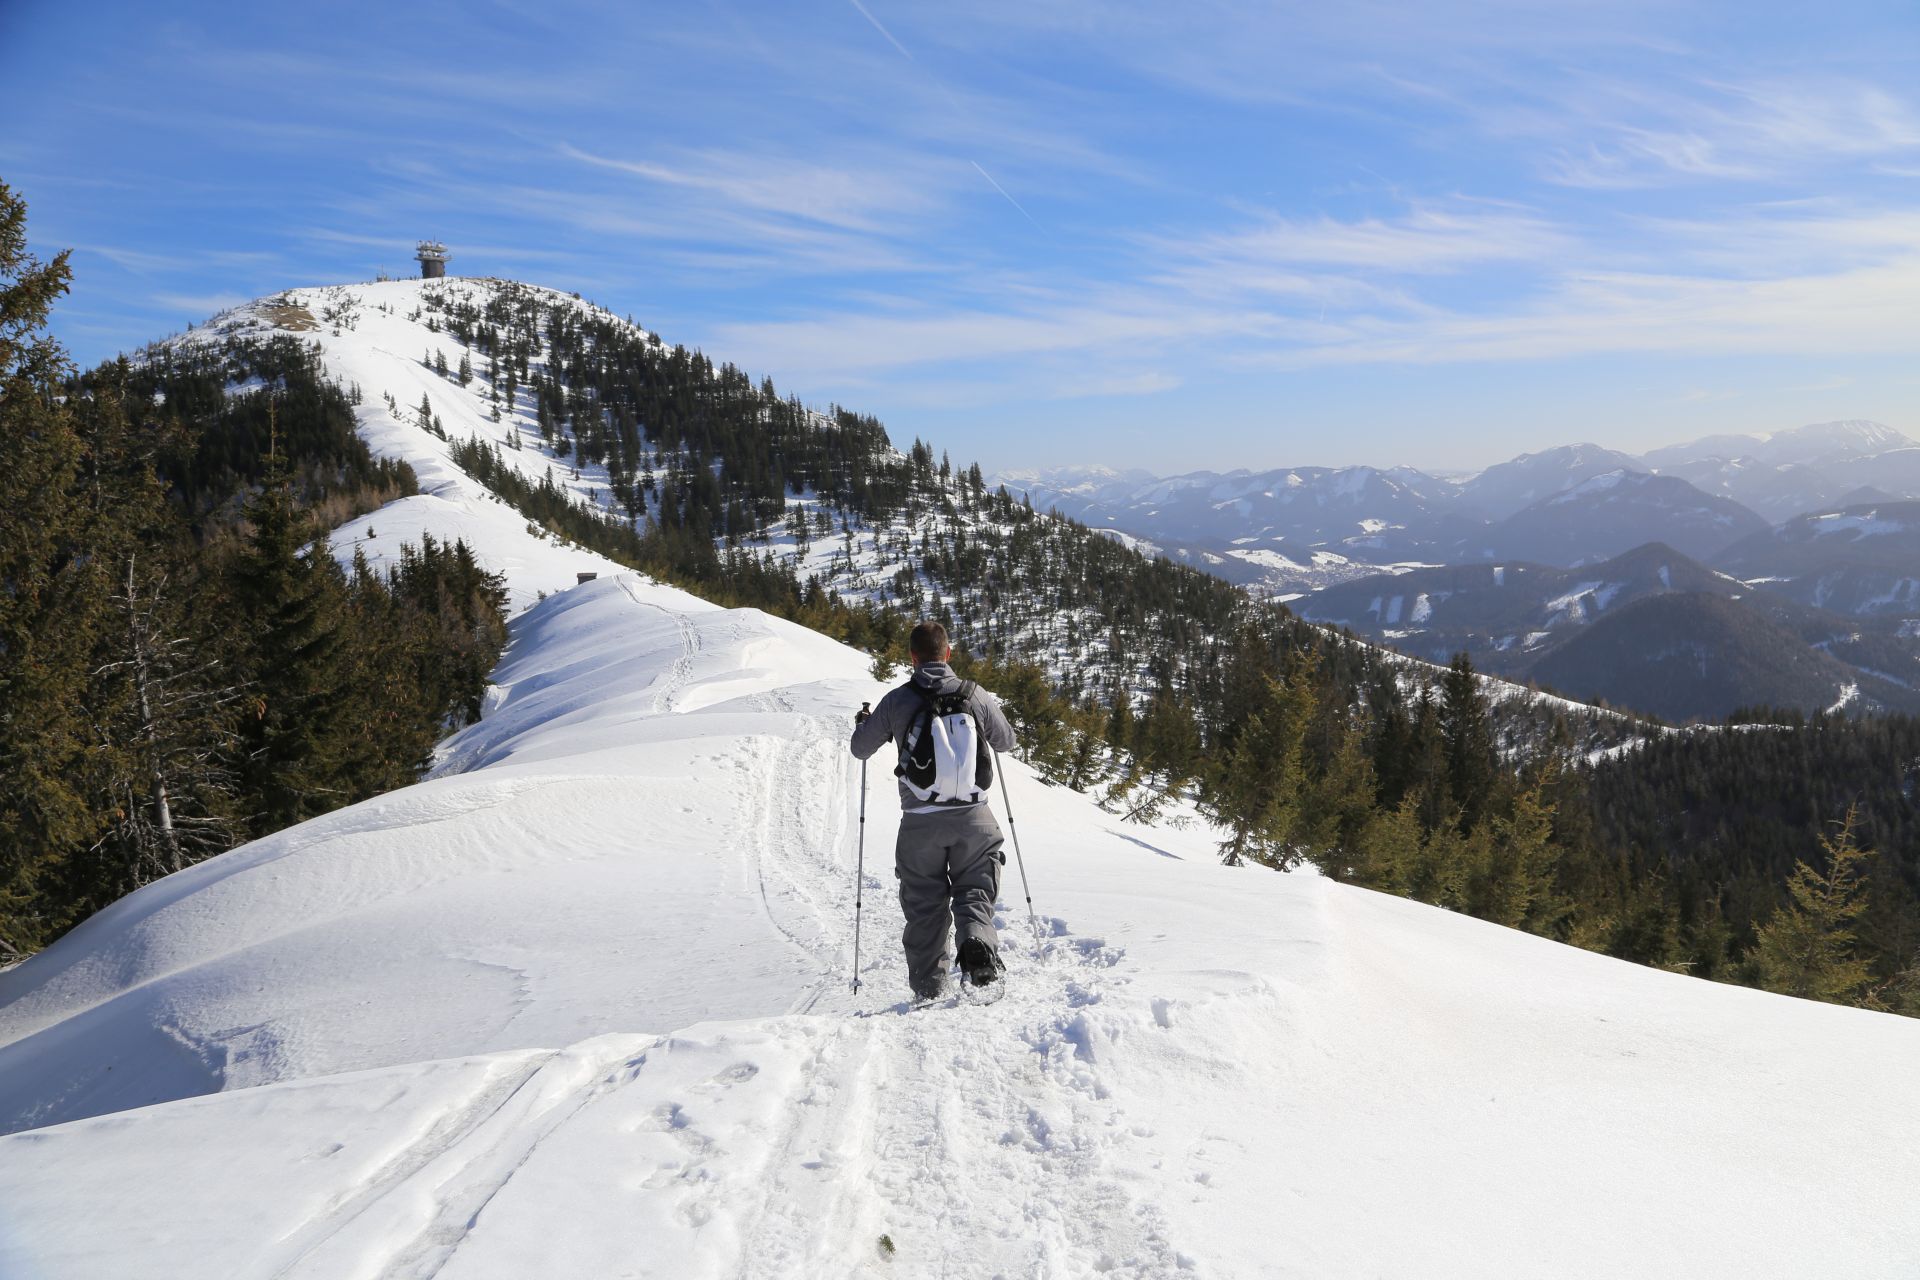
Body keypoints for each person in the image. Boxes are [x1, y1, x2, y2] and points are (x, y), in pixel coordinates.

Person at [850, 620, 1018, 1000]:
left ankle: (929, 990)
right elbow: (1006, 741)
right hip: (975, 820)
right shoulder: (974, 694)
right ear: (948, 653)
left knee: (925, 905)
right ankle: (976, 945)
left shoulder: (897, 700)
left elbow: (860, 749)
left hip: (920, 824)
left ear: (912, 657)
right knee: (975, 891)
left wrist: (865, 723)